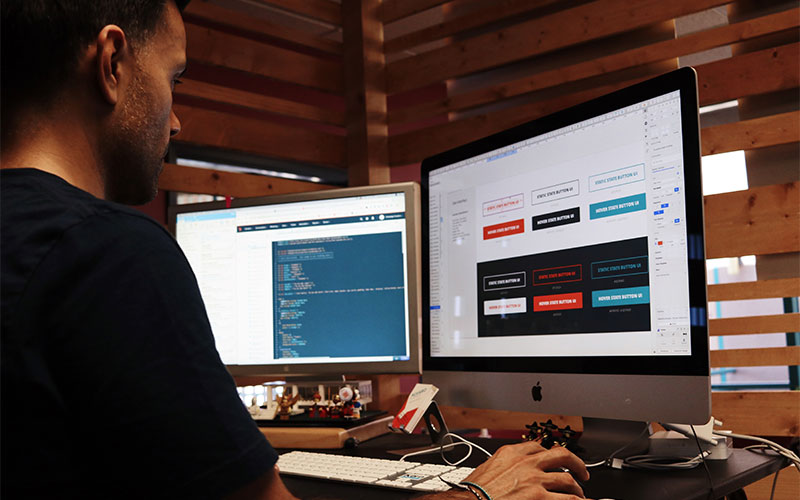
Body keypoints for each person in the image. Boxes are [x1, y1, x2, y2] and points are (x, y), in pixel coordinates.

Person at [0, 1, 590, 499]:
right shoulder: (107, 252)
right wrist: (480, 493)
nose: (176, 121)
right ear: (112, 63)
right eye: (174, 79)